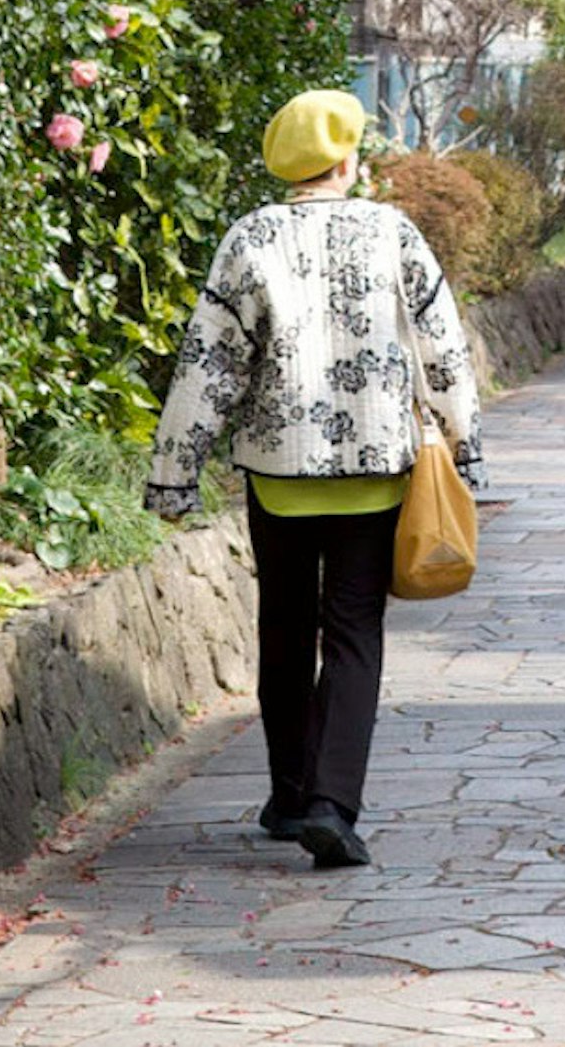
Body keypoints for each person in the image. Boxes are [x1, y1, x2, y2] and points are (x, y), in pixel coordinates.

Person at [144, 88, 482, 871]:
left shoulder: (250, 237)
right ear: (345, 158)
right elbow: (442, 344)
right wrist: (465, 443)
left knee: (285, 628)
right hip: (374, 472)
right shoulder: (392, 231)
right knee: (355, 630)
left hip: (280, 472)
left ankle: (291, 794)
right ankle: (334, 804)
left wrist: (174, 472)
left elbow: (210, 364)